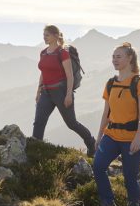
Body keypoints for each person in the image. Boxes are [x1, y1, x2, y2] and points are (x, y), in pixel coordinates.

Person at [92, 42, 140, 206]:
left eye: (119, 56)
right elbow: (106, 113)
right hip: (111, 135)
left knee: (129, 178)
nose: (114, 60)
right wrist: (99, 136)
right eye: (113, 57)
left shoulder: (139, 83)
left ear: (129, 58)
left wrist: (138, 137)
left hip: (132, 138)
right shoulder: (111, 83)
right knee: (97, 166)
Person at [32, 24, 96, 155]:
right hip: (46, 92)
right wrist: (38, 91)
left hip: (61, 92)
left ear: (55, 36)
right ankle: (35, 150)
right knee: (39, 122)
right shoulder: (43, 53)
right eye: (43, 35)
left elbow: (69, 75)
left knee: (71, 123)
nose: (44, 38)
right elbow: (43, 72)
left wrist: (68, 95)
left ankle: (91, 143)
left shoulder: (62, 52)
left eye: (47, 35)